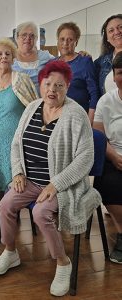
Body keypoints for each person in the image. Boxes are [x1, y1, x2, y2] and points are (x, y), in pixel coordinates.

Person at [0, 60, 101, 297]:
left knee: (40, 213)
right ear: (40, 85)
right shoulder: (32, 108)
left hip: (61, 184)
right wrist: (17, 171)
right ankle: (10, 252)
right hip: (30, 179)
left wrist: (56, 184)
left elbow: (86, 158)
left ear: (68, 87)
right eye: (48, 84)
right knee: (6, 204)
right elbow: (16, 143)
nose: (52, 90)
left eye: (59, 85)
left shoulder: (76, 114)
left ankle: (62, 262)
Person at [0, 38, 37, 201]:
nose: (4, 57)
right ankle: (4, 207)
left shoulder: (22, 80)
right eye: (0, 54)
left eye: (7, 54)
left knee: (15, 177)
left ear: (13, 57)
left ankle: (12, 210)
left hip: (14, 142)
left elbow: (34, 107)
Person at [93, 51, 122, 264]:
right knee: (108, 184)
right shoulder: (106, 101)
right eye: (120, 72)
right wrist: (113, 156)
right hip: (113, 155)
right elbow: (99, 136)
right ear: (113, 76)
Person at [55, 22, 99, 124]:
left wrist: (89, 122)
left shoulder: (85, 61)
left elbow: (94, 93)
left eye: (70, 40)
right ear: (57, 41)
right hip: (57, 118)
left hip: (78, 118)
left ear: (76, 42)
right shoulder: (52, 63)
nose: (65, 43)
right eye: (62, 39)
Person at [12, 21, 54, 93]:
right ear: (17, 37)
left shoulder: (45, 56)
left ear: (36, 39)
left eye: (32, 35)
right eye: (24, 35)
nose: (28, 38)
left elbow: (61, 65)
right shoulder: (10, 57)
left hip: (41, 102)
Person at [94, 14, 122, 95]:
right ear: (107, 38)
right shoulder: (100, 63)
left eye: (121, 27)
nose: (117, 32)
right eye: (111, 30)